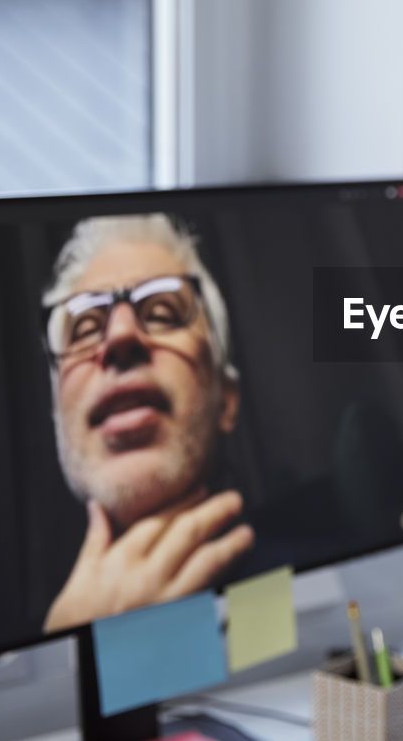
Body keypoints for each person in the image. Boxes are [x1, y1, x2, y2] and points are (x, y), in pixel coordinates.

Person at [40, 213, 255, 632]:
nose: (120, 337)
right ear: (58, 419)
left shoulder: (313, 588)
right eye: (85, 327)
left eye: (161, 313)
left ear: (226, 401)